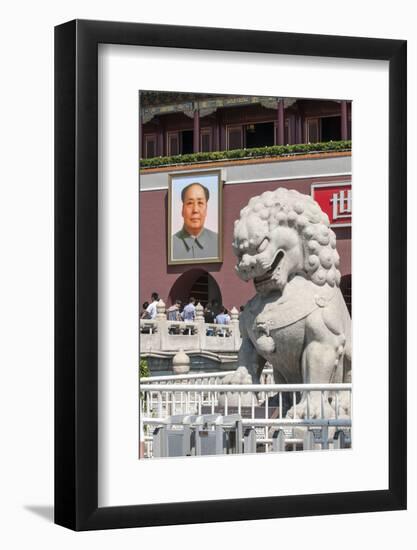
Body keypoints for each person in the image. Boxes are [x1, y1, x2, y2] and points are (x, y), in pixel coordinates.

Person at [172, 182, 218, 260]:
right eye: (190, 203)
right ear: (182, 210)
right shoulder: (171, 244)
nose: (195, 210)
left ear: (206, 209)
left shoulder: (218, 242)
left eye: (200, 203)